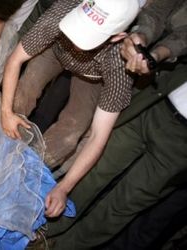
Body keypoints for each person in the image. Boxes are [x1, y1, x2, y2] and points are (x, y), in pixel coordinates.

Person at [26, 0, 187, 249]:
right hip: (156, 101)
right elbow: (163, 14)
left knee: (123, 204)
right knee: (93, 176)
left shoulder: (117, 71)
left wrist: (159, 52)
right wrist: (145, 41)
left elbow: (98, 136)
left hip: (180, 147)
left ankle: (62, 247)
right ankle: (37, 229)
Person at [1, 0, 139, 218]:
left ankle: (25, 171)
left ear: (118, 37)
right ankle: (0, 144)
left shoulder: (120, 65)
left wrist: (64, 188)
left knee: (71, 132)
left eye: (89, 36)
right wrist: (6, 113)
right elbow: (15, 60)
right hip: (56, 49)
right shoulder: (63, 11)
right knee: (23, 92)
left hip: (92, 76)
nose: (77, 42)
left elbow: (97, 137)